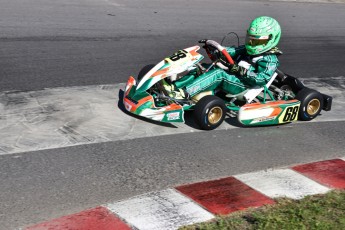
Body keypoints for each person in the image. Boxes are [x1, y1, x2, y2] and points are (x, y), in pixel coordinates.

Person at [171, 16, 283, 100]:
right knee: (202, 68)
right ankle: (174, 87)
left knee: (218, 74)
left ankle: (184, 94)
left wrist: (242, 71)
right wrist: (215, 48)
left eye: (256, 41)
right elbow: (232, 51)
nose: (251, 43)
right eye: (250, 39)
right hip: (233, 75)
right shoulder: (248, 48)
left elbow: (261, 79)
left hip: (244, 85)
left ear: (270, 39)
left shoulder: (270, 59)